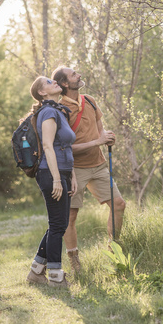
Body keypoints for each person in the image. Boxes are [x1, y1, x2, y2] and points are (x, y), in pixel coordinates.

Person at [51, 66, 126, 272]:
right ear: (65, 84)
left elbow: (100, 127)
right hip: (74, 169)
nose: (79, 75)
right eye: (74, 74)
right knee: (71, 217)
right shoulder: (59, 111)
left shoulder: (90, 100)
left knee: (119, 204)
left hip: (99, 164)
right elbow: (64, 147)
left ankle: (114, 250)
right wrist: (98, 141)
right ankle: (74, 260)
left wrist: (107, 137)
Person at [26, 76, 77, 288]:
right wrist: (57, 179)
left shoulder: (59, 111)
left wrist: (71, 175)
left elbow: (64, 146)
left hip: (62, 172)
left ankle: (37, 271)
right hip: (50, 173)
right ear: (43, 93)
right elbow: (47, 146)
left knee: (60, 223)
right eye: (48, 82)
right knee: (57, 225)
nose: (53, 81)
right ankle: (56, 276)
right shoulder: (47, 112)